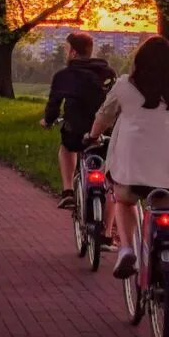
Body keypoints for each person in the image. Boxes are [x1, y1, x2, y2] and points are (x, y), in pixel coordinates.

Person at [84, 35, 169, 279]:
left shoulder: (125, 84)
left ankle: (127, 249)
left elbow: (104, 115)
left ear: (139, 61)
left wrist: (93, 135)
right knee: (168, 212)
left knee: (125, 200)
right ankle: (167, 274)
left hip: (133, 164)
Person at [40, 33, 117, 214]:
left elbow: (53, 106)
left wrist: (48, 121)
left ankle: (68, 191)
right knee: (111, 180)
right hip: (105, 132)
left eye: (67, 49)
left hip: (75, 132)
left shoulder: (64, 75)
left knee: (66, 148)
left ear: (73, 52)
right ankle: (107, 233)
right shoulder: (108, 72)